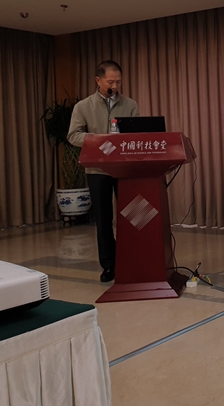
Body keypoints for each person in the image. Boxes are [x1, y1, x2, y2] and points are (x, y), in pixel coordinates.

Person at [68, 60, 139, 282]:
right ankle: (109, 265)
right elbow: (73, 135)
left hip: (124, 170)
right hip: (97, 169)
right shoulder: (83, 106)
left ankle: (131, 260)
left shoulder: (130, 105)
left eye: (118, 82)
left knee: (131, 216)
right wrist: (98, 140)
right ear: (98, 81)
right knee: (103, 219)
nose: (115, 86)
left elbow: (137, 134)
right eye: (110, 82)